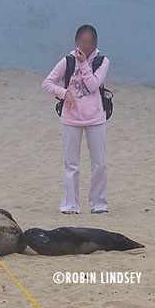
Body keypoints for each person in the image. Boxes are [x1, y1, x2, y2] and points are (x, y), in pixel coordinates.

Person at [42, 24, 110, 215]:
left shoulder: (102, 61)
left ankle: (99, 204)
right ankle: (70, 205)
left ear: (95, 43)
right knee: (71, 164)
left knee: (99, 164)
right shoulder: (67, 60)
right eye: (83, 42)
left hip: (96, 117)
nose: (86, 46)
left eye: (90, 42)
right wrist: (64, 93)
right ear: (77, 42)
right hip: (71, 119)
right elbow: (47, 83)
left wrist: (83, 64)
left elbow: (93, 84)